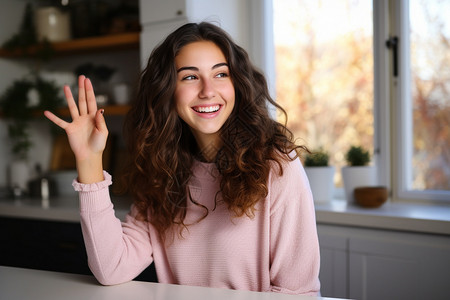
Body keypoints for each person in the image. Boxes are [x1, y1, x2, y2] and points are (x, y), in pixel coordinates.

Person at [44, 22, 321, 295]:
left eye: (221, 74)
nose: (208, 90)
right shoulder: (162, 172)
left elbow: (296, 293)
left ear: (237, 83)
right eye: (190, 77)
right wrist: (90, 161)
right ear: (167, 91)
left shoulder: (277, 166)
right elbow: (112, 268)